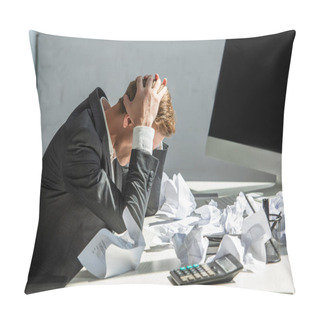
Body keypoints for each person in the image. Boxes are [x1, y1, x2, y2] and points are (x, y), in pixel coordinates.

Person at [25, 74, 175, 294]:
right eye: (146, 145)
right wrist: (143, 132)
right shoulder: (82, 144)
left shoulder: (106, 131)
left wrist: (151, 139)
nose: (145, 151)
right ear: (129, 121)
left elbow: (148, 207)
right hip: (49, 287)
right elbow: (130, 222)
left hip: (81, 278)